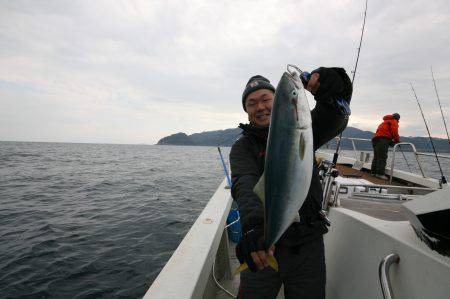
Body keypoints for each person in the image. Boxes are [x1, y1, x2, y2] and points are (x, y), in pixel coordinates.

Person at [229, 67, 352, 299]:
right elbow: (244, 183)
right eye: (252, 103)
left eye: (265, 99)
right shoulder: (242, 148)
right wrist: (254, 226)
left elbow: (336, 114)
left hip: (308, 244)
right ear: (246, 111)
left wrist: (335, 85)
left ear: (277, 102)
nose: (260, 107)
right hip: (265, 244)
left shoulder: (306, 128)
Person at [370, 113, 400, 180]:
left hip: (375, 139)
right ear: (397, 118)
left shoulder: (384, 122)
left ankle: (373, 172)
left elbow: (383, 132)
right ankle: (380, 174)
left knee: (376, 157)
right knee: (382, 157)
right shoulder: (394, 121)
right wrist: (397, 140)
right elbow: (394, 132)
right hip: (382, 140)